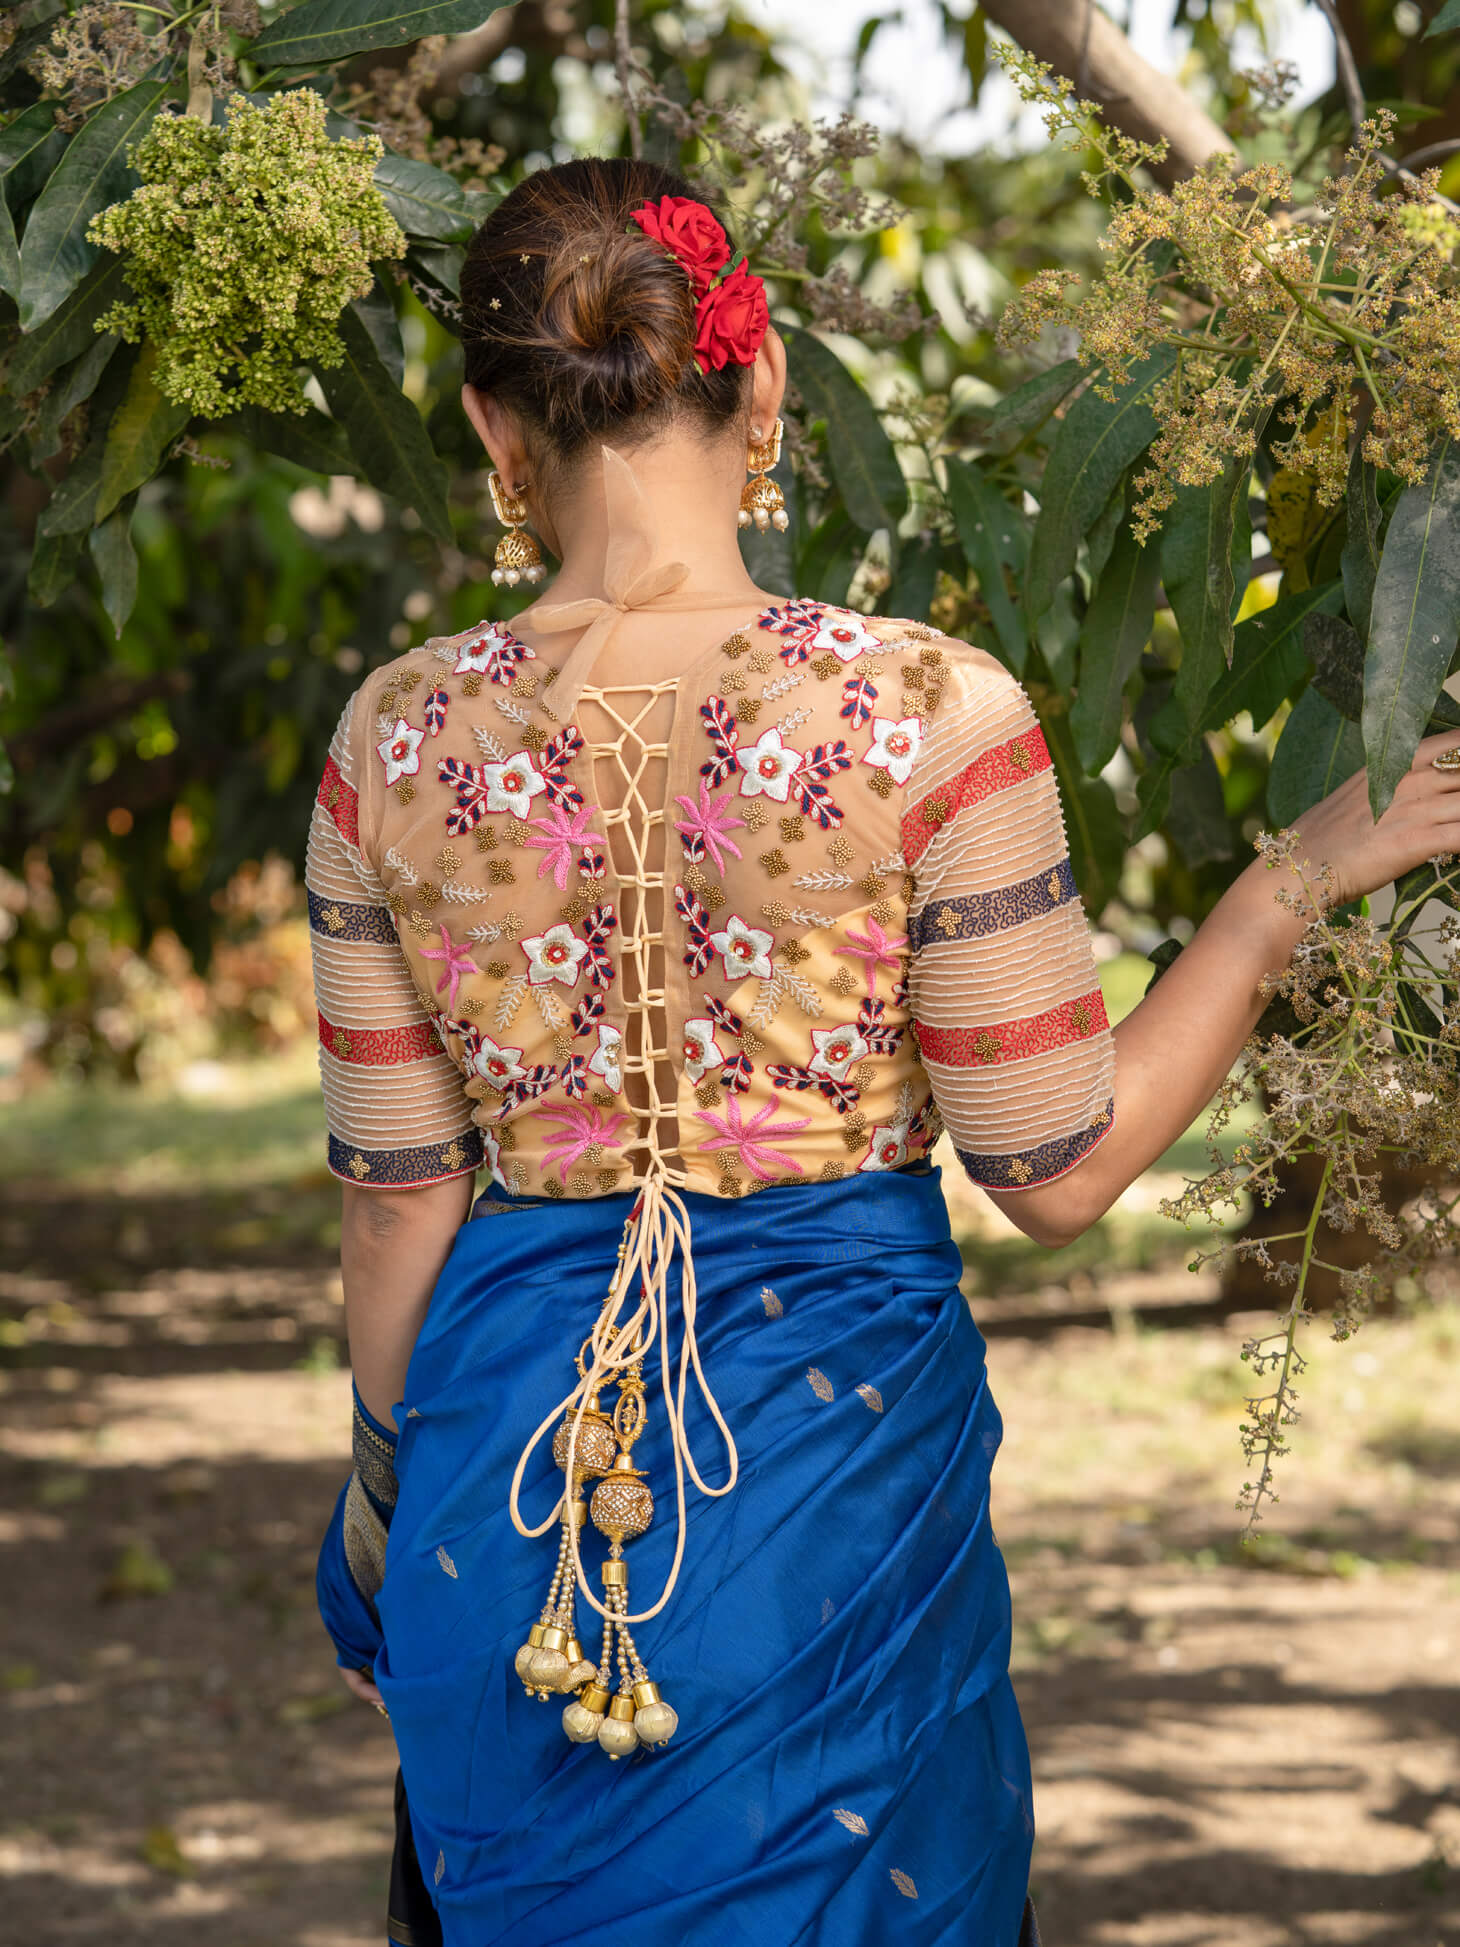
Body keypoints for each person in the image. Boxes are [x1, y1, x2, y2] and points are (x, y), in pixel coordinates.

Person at [306, 155, 1460, 1947]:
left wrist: (386, 1532)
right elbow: (1059, 1171)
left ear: (488, 421)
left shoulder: (387, 743)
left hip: (505, 1493)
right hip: (826, 1501)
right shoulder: (931, 714)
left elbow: (396, 1212)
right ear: (758, 383)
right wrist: (1285, 882)